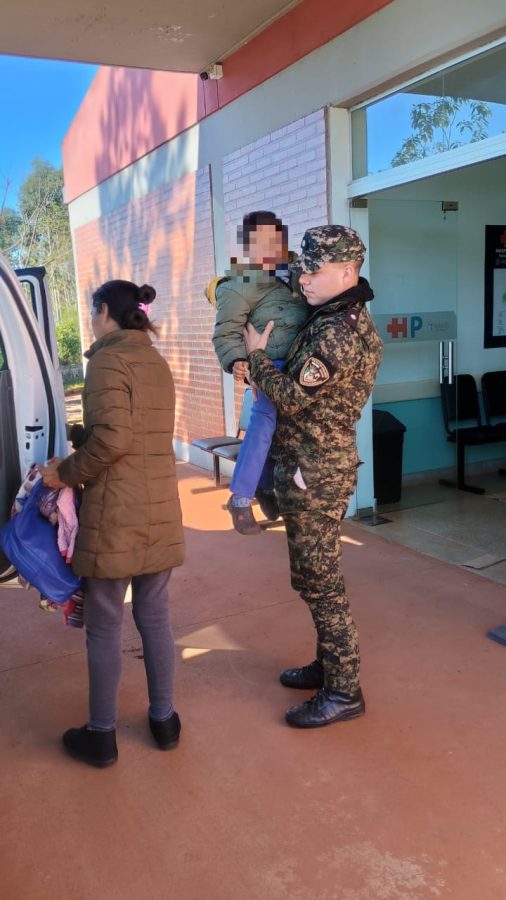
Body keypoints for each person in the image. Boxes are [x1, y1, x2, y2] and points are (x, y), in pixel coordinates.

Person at [243, 225, 383, 729]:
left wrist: (256, 357)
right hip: (313, 465)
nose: (303, 278)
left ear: (347, 272)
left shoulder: (338, 333)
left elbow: (294, 397)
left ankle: (344, 692)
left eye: (314, 269)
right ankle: (328, 668)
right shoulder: (332, 318)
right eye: (302, 267)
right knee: (313, 577)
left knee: (322, 584)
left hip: (316, 471)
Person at [41, 280, 185, 767]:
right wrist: (88, 435)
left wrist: (63, 472)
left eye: (92, 311)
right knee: (155, 616)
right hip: (159, 504)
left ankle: (101, 736)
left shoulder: (106, 360)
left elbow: (113, 442)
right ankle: (164, 721)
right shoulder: (154, 360)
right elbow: (136, 430)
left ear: (104, 311)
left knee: (103, 622)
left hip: (117, 511)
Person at [210, 210, 308, 534]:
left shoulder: (298, 274)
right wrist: (238, 360)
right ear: (247, 247)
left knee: (292, 431)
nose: (269, 247)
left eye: (275, 239)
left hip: (302, 366)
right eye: (259, 241)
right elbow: (226, 331)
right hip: (271, 364)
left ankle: (268, 489)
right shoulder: (240, 285)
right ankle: (241, 499)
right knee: (265, 422)